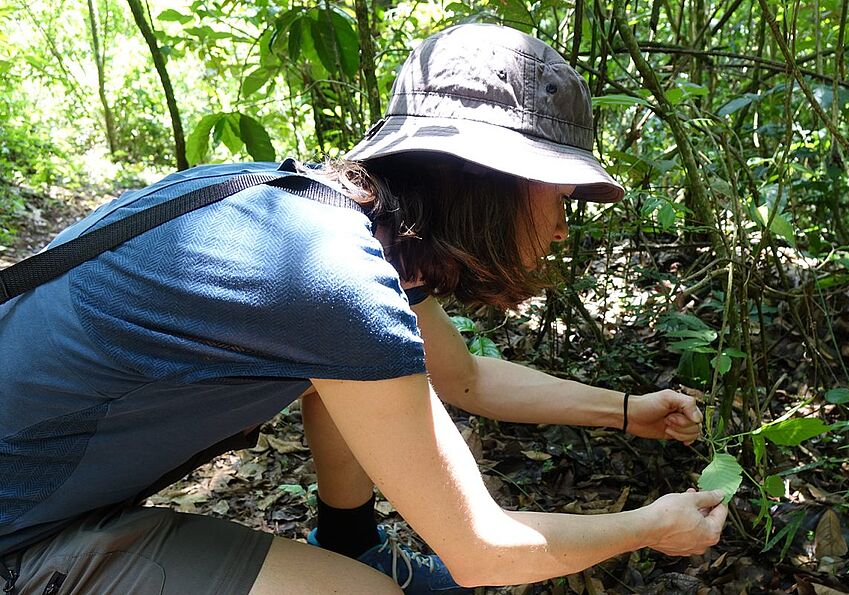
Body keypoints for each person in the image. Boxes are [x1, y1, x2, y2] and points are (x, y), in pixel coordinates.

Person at [0, 23, 727, 595]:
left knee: (340, 395)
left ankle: (352, 541)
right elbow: (481, 549)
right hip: (21, 539)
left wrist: (629, 408)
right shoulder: (331, 277)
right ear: (492, 181)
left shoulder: (324, 220)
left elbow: (463, 379)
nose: (565, 224)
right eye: (560, 194)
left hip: (45, 497)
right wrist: (648, 527)